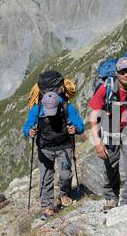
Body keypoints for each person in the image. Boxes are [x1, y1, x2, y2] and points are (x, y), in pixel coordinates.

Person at [87, 56, 127, 209]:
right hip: (110, 132)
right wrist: (97, 142)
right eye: (122, 71)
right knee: (110, 166)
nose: (126, 75)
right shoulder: (106, 88)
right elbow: (93, 116)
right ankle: (111, 198)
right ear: (116, 72)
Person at [22, 70, 84, 217]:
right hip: (45, 148)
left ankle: (65, 193)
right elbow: (26, 127)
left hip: (64, 147)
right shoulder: (37, 109)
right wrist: (29, 131)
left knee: (65, 174)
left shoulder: (68, 107)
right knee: (46, 177)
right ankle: (47, 205)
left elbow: (80, 127)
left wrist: (74, 129)